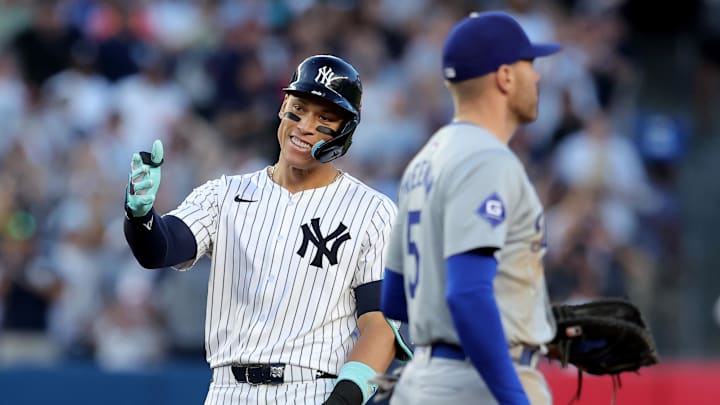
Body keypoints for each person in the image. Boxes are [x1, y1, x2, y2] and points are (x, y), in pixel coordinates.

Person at [124, 54, 411, 405]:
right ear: (283, 107)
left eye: (325, 117)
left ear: (345, 131)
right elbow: (161, 248)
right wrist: (141, 217)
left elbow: (379, 326)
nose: (305, 125)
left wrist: (343, 401)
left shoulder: (373, 211)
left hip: (313, 389)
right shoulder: (224, 193)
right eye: (299, 107)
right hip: (227, 391)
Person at [381, 11, 561, 405]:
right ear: (505, 76)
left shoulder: (424, 159)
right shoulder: (485, 159)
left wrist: (524, 317)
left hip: (424, 377)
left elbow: (394, 298)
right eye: (530, 64)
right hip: (478, 382)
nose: (538, 76)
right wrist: (515, 398)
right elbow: (467, 294)